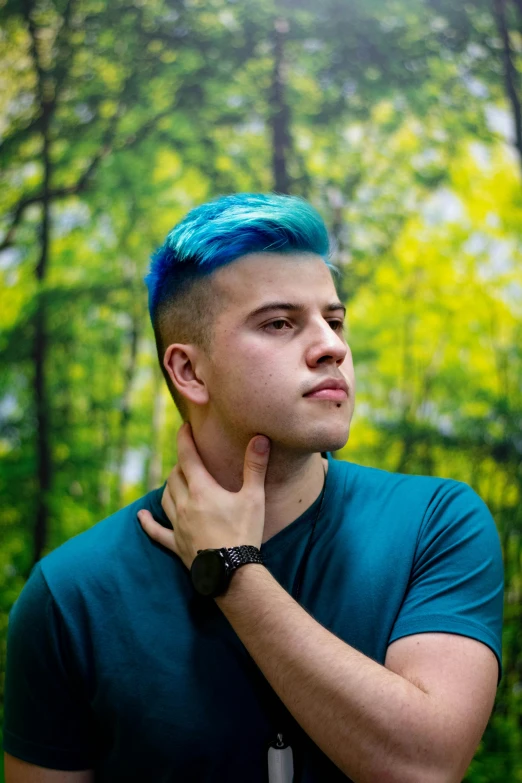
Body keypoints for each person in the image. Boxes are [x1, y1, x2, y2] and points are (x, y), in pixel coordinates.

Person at [4, 193, 503, 783]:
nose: (332, 346)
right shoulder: (71, 594)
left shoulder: (436, 523)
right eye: (279, 323)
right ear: (189, 371)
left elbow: (426, 767)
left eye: (335, 320)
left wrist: (233, 571)